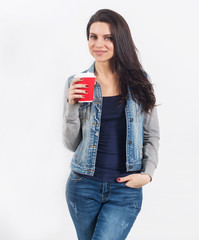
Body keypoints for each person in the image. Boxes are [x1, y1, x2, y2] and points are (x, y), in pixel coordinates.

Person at [63, 9, 159, 240]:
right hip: (83, 186)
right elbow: (71, 143)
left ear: (120, 40)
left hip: (124, 191)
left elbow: (151, 135)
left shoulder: (138, 83)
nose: (99, 44)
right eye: (93, 36)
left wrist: (147, 174)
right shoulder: (76, 83)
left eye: (107, 37)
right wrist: (72, 106)